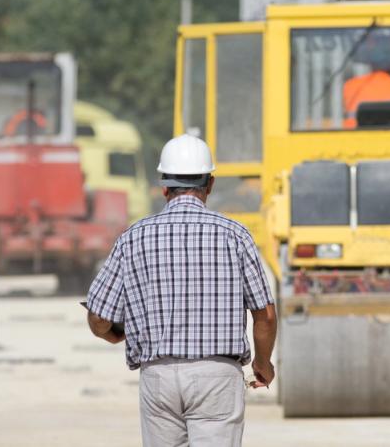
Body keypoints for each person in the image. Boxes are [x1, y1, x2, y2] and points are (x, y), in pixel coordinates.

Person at [86, 134, 277, 447]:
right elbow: (265, 316)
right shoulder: (235, 235)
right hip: (217, 376)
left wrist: (113, 334)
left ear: (164, 187)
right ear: (210, 184)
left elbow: (98, 317)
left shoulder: (133, 237)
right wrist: (263, 364)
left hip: (158, 377)